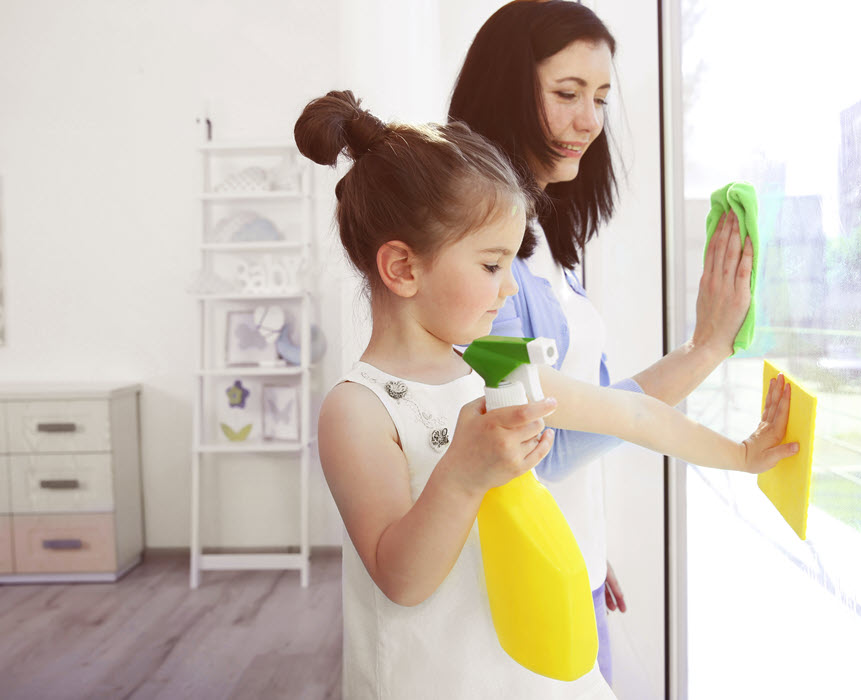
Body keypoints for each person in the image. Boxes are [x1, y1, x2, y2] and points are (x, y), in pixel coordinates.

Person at [297, 90, 795, 698]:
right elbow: (401, 579)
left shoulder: (496, 368)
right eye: (490, 265)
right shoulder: (358, 409)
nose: (509, 289)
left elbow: (630, 411)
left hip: (526, 677)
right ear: (403, 268)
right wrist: (461, 474)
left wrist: (741, 455)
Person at [449, 1, 756, 684]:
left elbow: (590, 411)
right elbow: (544, 443)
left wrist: (592, 541)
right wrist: (703, 349)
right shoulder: (483, 263)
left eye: (600, 98)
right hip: (527, 584)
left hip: (572, 562)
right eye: (566, 94)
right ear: (506, 89)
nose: (590, 121)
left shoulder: (553, 249)